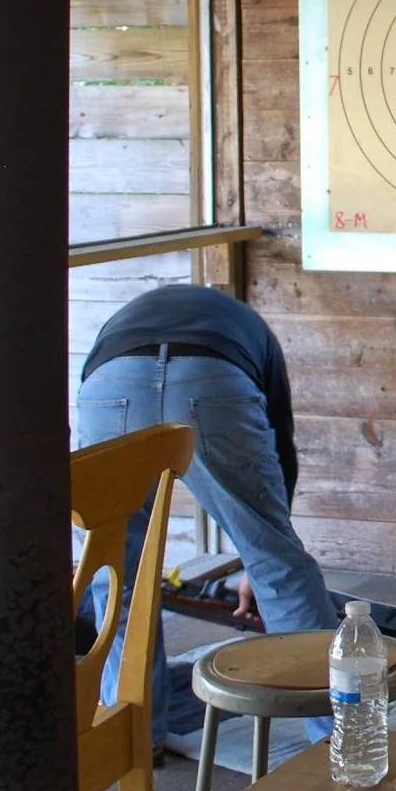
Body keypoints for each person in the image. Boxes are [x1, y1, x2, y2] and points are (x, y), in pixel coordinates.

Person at [78, 283, 338, 739]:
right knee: (279, 564)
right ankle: (335, 737)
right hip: (210, 381)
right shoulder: (252, 330)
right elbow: (281, 449)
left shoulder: (129, 318)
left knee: (117, 572)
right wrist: (258, 568)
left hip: (109, 388)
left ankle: (133, 737)